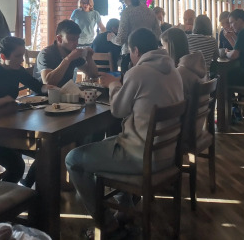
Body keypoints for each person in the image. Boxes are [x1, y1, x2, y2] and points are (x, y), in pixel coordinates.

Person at [65, 28, 183, 236]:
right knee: (111, 141)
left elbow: (118, 111)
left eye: (130, 52)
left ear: (135, 50)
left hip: (141, 157)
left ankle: (106, 222)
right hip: (167, 154)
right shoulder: (174, 71)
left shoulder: (138, 73)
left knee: (73, 159)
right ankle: (125, 210)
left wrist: (113, 85)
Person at [0, 36, 45, 183]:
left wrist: (51, 89)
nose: (22, 60)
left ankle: (26, 187)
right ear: (3, 56)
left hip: (11, 131)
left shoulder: (17, 70)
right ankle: (3, 195)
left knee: (45, 153)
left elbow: (36, 86)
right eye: (18, 56)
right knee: (17, 166)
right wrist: (6, 99)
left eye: (22, 55)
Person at [161, 27, 207, 149]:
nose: (162, 51)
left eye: (163, 46)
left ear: (171, 47)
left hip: (185, 131)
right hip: (198, 126)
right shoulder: (197, 65)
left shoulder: (181, 73)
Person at [112, 0, 161, 72]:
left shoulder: (126, 13)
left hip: (131, 56)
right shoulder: (150, 11)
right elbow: (158, 35)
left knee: (129, 80)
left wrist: (111, 38)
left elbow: (121, 39)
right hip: (149, 55)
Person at [34, 20, 99, 86]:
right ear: (59, 39)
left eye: (77, 39)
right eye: (72, 39)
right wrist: (68, 59)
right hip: (44, 92)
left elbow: (94, 75)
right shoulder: (46, 54)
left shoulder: (72, 52)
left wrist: (89, 58)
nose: (76, 43)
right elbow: (48, 83)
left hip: (66, 91)